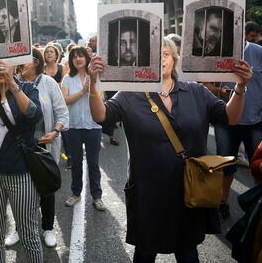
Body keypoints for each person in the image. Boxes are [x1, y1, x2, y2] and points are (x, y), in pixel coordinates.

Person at [87, 37, 252, 262]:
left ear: (174, 59)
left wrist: (240, 87)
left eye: (165, 54)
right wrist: (93, 81)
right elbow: (100, 116)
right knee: (145, 252)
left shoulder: (196, 92)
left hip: (188, 191)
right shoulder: (130, 94)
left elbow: (230, 117)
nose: (160, 59)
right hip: (148, 193)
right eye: (153, 55)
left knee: (187, 253)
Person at [0, 58, 44, 263]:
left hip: (21, 174)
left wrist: (13, 86)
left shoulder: (28, 88)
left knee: (28, 233)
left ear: (17, 65)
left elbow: (33, 115)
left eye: (4, 64)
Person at [5, 48, 69, 249]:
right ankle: (19, 229)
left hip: (43, 149)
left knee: (45, 189)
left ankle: (48, 228)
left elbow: (62, 113)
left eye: (25, 59)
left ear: (35, 61)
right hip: (18, 149)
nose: (21, 64)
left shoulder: (48, 83)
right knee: (19, 191)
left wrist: (55, 132)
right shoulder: (10, 83)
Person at [207, 40, 262, 219]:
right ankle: (223, 201)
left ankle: (257, 204)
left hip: (256, 121)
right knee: (225, 164)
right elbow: (206, 85)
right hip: (226, 121)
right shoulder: (214, 52)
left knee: (258, 166)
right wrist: (224, 92)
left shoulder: (257, 51)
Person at [61, 46, 105, 211]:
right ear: (71, 60)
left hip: (93, 125)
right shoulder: (67, 78)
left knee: (94, 163)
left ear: (87, 58)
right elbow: (65, 100)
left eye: (81, 56)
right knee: (76, 162)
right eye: (74, 57)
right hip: (74, 126)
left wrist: (91, 87)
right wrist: (83, 91)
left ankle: (97, 196)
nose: (78, 59)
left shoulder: (96, 76)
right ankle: (75, 193)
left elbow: (101, 98)